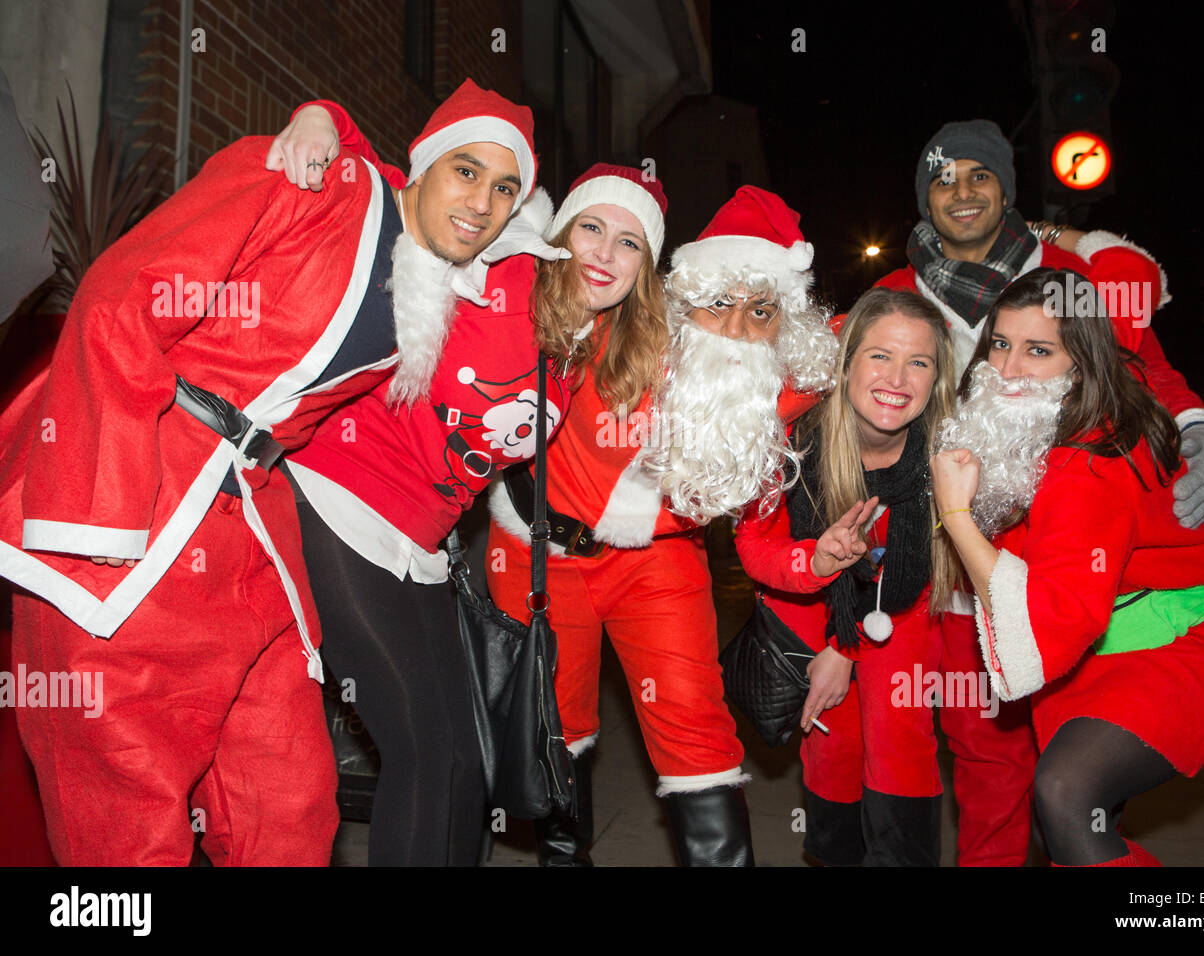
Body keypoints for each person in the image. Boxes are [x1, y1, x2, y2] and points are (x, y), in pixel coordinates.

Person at [0, 78, 541, 866]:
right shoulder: (307, 184)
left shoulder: (423, 290)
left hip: (251, 532)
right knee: (122, 813)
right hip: (136, 503)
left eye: (505, 189)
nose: (483, 201)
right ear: (421, 169)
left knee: (288, 802)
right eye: (467, 171)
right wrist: (95, 512)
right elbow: (121, 296)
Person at [266, 102, 668, 864]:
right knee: (422, 751)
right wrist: (324, 121)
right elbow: (411, 190)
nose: (605, 254)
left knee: (463, 766)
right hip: (340, 498)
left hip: (421, 542)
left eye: (629, 242)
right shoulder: (502, 266)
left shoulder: (585, 349)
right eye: (590, 228)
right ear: (555, 230)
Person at [874, 118, 1204, 866]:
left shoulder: (1070, 274)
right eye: (943, 179)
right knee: (984, 759)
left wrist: (1199, 428)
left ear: (1005, 186)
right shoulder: (894, 291)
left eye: (979, 175)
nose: (962, 192)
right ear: (924, 199)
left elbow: (1140, 364)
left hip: (1071, 560)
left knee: (1067, 779)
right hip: (955, 562)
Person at [486, 186, 838, 865]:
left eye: (760, 309)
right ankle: (564, 856)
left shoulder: (787, 375)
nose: (736, 327)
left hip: (658, 564)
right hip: (539, 552)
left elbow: (885, 339)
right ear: (684, 297)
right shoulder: (613, 324)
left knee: (695, 727)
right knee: (553, 724)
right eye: (718, 302)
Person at [931, 268, 1204, 866]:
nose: (1009, 371)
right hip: (1097, 651)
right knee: (1087, 819)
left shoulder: (1086, 460)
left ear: (1081, 362)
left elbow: (1049, 618)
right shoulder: (1035, 424)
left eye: (1039, 351)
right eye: (1001, 344)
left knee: (1066, 796)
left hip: (1181, 649)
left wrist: (957, 513)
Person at [735, 288, 959, 866]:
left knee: (897, 734)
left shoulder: (950, 455)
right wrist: (815, 562)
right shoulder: (788, 440)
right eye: (880, 355)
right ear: (847, 361)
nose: (899, 377)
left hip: (900, 607)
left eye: (920, 362)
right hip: (810, 604)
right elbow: (756, 546)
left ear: (937, 379)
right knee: (834, 756)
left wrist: (846, 648)